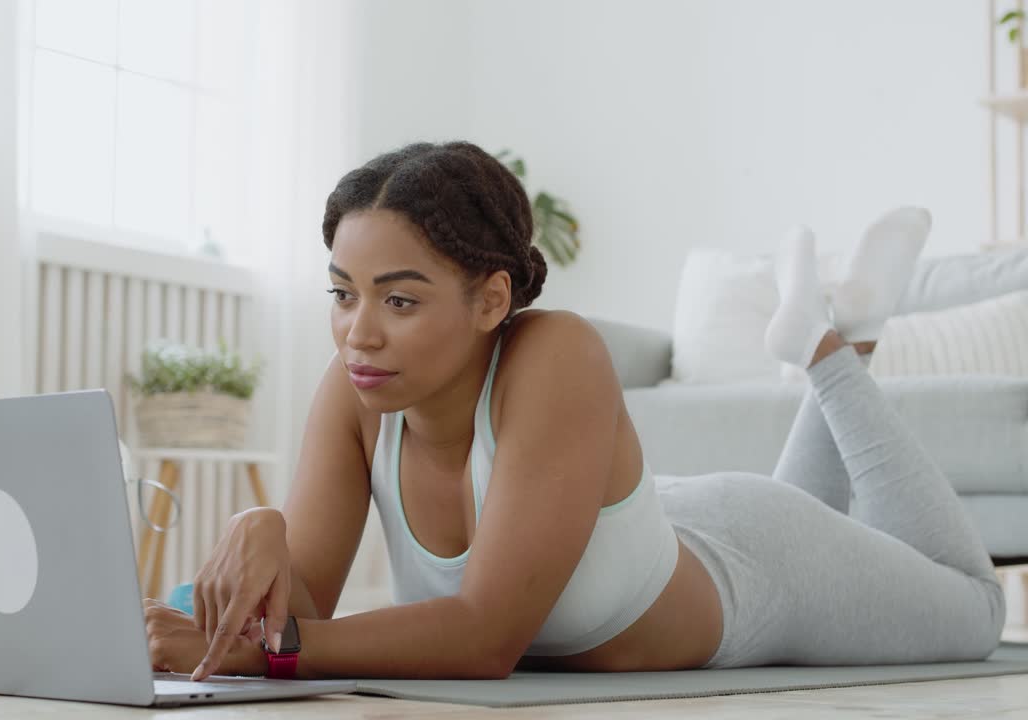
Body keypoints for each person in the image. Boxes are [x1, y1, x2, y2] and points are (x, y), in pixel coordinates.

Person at [143, 141, 1006, 682]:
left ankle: (829, 349)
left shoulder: (555, 353)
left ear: (491, 298)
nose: (358, 332)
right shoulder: (357, 390)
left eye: (399, 301)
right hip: (659, 524)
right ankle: (845, 325)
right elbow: (308, 610)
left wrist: (270, 652)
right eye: (342, 294)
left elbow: (485, 639)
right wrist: (263, 529)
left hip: (761, 564)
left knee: (974, 612)